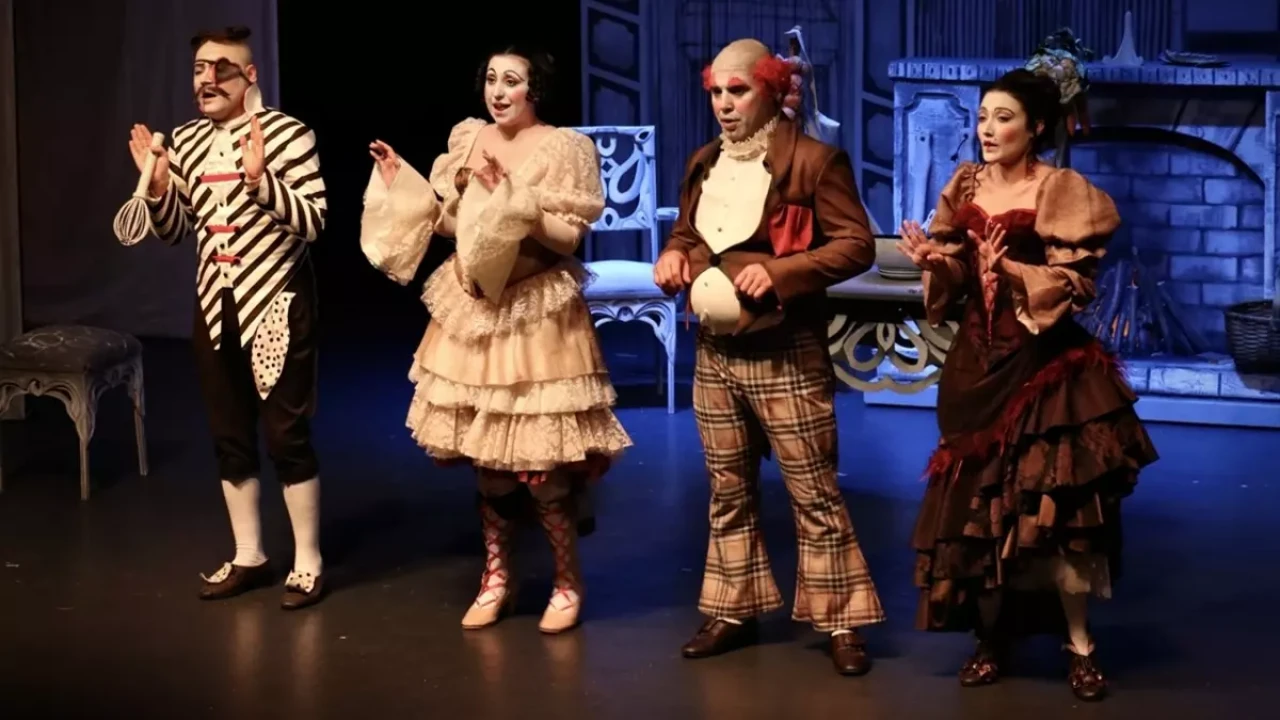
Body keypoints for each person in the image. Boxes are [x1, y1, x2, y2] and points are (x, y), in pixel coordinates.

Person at [898, 68, 1159, 702]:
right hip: (976, 365)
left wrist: (1010, 268)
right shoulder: (965, 184)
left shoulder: (1058, 189)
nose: (987, 129)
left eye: (1004, 117)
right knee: (981, 510)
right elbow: (958, 278)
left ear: (1036, 126)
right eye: (983, 116)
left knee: (1053, 511)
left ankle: (1080, 645)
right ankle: (990, 638)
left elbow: (1074, 284)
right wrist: (938, 263)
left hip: (1041, 369)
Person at [358, 45, 631, 634]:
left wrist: (519, 201)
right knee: (490, 465)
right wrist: (405, 184)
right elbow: (457, 224)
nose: (498, 91)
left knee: (542, 467)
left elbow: (568, 238)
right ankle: (497, 578)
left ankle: (566, 581)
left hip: (536, 316)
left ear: (536, 89)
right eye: (491, 79)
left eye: (512, 80)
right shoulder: (469, 139)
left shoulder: (563, 148)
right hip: (476, 315)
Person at [653, 38, 885, 676]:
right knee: (727, 488)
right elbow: (688, 232)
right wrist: (674, 255)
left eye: (739, 91)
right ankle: (733, 608)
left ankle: (841, 619)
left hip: (785, 350)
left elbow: (855, 244)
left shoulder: (814, 161)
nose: (724, 105)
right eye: (716, 93)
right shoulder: (704, 161)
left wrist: (783, 272)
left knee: (814, 491)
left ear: (772, 90)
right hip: (715, 352)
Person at [124, 26, 328, 609]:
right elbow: (173, 231)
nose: (207, 80)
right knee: (228, 433)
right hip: (216, 304)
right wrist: (159, 190)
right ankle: (249, 555)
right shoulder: (186, 141)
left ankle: (308, 561)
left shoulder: (288, 134)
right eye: (199, 70)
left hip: (277, 302)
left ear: (250, 76)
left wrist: (262, 182)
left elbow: (314, 222)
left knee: (286, 434)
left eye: (221, 69)